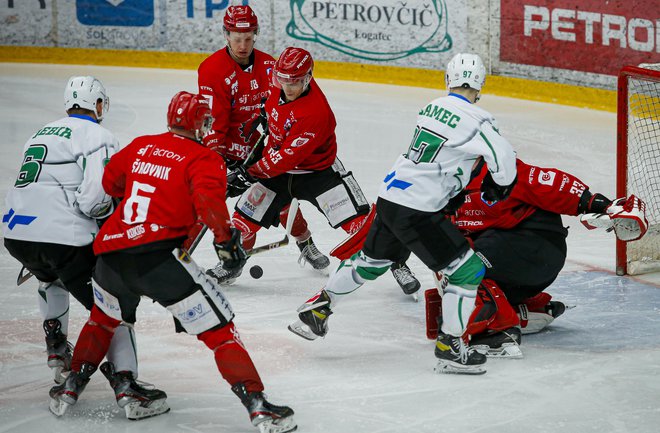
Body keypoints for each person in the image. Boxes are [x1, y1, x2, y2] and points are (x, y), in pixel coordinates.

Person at [48, 91, 297, 433]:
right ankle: (259, 407)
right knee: (221, 333)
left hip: (110, 258)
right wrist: (226, 243)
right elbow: (210, 203)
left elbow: (110, 183)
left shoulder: (140, 145)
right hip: (161, 261)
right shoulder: (203, 158)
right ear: (199, 123)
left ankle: (69, 387)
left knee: (102, 321)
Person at [288, 53, 518, 375]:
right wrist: (502, 186)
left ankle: (319, 306)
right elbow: (503, 156)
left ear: (447, 80)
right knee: (467, 273)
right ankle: (450, 347)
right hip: (417, 209)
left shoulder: (431, 107)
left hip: (391, 197)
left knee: (372, 261)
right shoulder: (479, 119)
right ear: (480, 84)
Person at [2, 76, 167, 419]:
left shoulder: (40, 132)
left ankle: (58, 350)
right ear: (100, 105)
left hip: (16, 235)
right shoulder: (99, 136)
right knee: (113, 306)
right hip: (64, 239)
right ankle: (128, 388)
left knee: (51, 280)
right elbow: (95, 198)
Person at [422, 158, 648, 358]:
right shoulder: (440, 195)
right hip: (527, 264)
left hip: (536, 244)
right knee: (449, 261)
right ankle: (527, 309)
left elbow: (551, 184)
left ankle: (500, 330)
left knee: (459, 265)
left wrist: (603, 205)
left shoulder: (496, 172)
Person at [218, 46, 373, 282]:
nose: (288, 87)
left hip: (317, 172)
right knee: (241, 224)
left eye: (295, 81)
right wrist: (266, 111)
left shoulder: (316, 112)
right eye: (282, 80)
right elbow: (270, 102)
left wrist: (247, 175)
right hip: (277, 172)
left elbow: (286, 158)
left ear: (308, 78)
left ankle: (398, 265)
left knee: (360, 225)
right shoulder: (278, 83)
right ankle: (232, 265)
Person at [198, 5, 329, 283]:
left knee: (275, 204)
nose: (242, 44)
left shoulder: (271, 66)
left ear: (256, 34)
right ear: (225, 34)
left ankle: (304, 243)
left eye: (248, 37)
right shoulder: (212, 69)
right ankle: (210, 256)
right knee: (208, 204)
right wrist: (215, 165)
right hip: (227, 154)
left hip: (263, 151)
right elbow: (215, 122)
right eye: (236, 37)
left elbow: (286, 109)